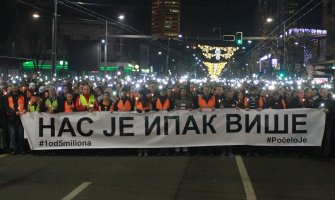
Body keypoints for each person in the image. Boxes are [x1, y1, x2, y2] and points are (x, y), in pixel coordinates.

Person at [4, 84, 27, 155]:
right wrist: (15, 112)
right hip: (11, 118)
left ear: (18, 88)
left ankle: (21, 149)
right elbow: (7, 107)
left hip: (21, 118)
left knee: (21, 134)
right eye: (13, 88)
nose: (14, 89)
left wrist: (25, 109)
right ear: (11, 88)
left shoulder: (22, 95)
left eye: (15, 88)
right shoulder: (7, 96)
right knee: (13, 134)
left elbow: (26, 104)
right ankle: (14, 149)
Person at [313, 88, 335, 158]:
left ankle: (326, 154)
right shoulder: (316, 101)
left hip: (328, 123)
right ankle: (318, 153)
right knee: (319, 138)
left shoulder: (331, 102)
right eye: (322, 92)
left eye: (325, 92)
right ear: (320, 93)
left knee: (327, 139)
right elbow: (313, 111)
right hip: (319, 123)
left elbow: (333, 111)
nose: (324, 93)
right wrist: (318, 109)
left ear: (327, 93)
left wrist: (328, 111)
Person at [136, 89, 151, 156]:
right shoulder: (137, 101)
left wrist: (147, 110)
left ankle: (145, 151)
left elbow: (150, 108)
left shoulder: (148, 101)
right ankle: (140, 151)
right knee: (139, 136)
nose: (137, 95)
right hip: (139, 121)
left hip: (146, 121)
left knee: (146, 136)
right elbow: (135, 107)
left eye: (138, 94)